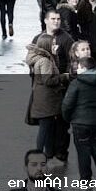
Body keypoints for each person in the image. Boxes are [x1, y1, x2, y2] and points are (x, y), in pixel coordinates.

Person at [61, 56, 96, 184]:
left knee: (83, 152)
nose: (77, 70)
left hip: (79, 123)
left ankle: (85, 180)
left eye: (78, 67)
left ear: (83, 68)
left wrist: (68, 119)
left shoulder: (76, 83)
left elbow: (67, 104)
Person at [27, 34, 69, 168]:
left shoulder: (40, 58)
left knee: (47, 129)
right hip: (47, 100)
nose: (56, 46)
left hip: (42, 98)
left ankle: (47, 155)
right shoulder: (45, 61)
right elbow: (48, 80)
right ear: (47, 46)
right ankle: (39, 157)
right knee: (45, 130)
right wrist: (64, 77)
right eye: (53, 44)